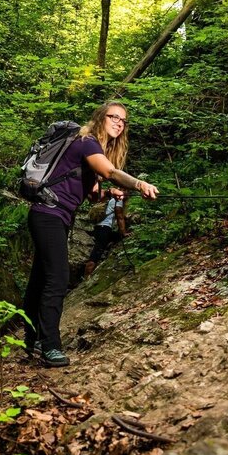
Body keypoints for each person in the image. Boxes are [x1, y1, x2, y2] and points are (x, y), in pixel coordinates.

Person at [23, 101, 158, 367]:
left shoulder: (89, 146)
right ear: (100, 117)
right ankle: (50, 346)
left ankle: (33, 340)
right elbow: (109, 171)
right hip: (49, 215)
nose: (119, 122)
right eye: (113, 117)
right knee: (58, 278)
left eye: (123, 120)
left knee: (40, 278)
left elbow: (90, 193)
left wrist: (109, 194)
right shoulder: (87, 141)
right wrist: (139, 183)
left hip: (53, 216)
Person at [84, 195, 128, 278]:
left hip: (100, 228)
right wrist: (124, 232)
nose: (126, 193)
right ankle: (86, 277)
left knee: (115, 238)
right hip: (104, 229)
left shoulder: (111, 200)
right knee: (95, 255)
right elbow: (119, 217)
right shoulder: (118, 200)